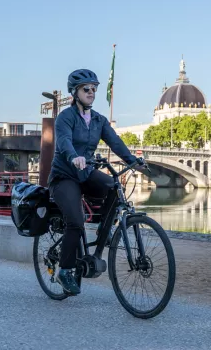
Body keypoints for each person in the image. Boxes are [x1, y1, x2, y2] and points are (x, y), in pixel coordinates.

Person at [49, 68, 143, 295]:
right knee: (76, 221)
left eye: (94, 89)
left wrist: (134, 161)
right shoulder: (66, 117)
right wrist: (74, 157)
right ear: (75, 92)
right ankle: (64, 270)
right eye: (86, 89)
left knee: (113, 185)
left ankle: (104, 227)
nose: (92, 92)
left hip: (86, 172)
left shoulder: (99, 120)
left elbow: (115, 142)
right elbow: (63, 141)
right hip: (65, 176)